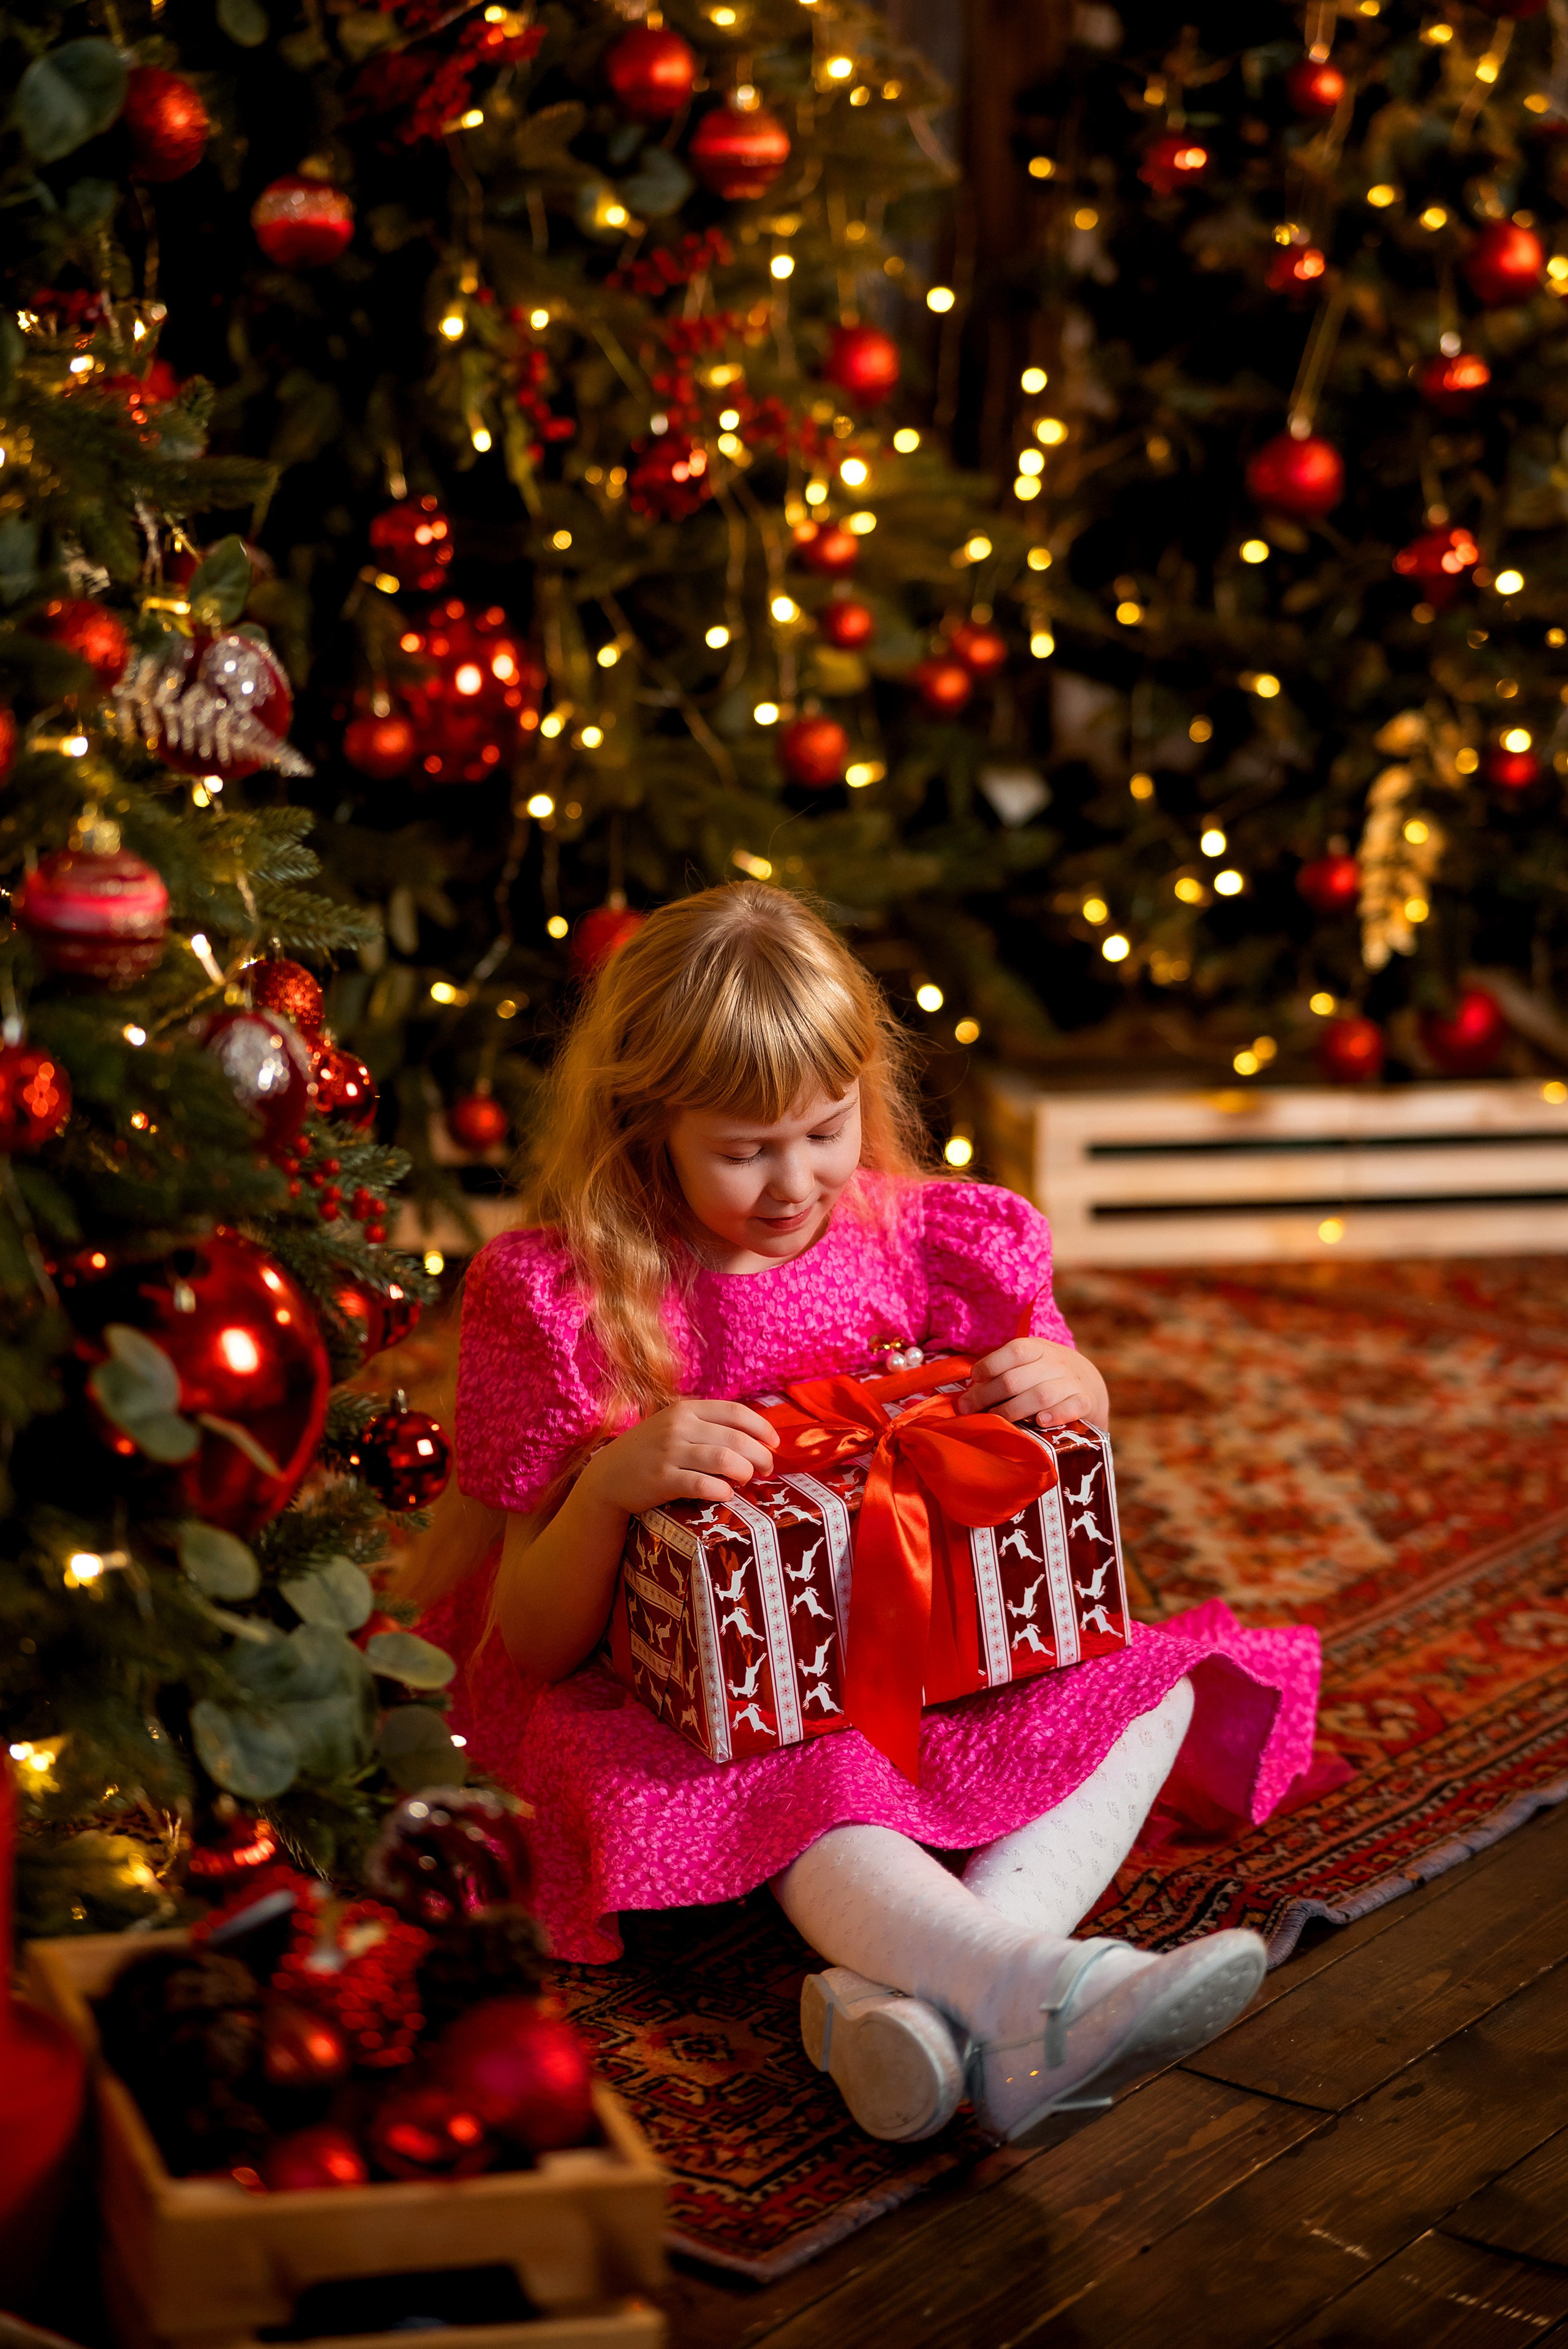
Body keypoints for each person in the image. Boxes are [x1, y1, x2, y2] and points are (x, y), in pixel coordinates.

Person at [410, 882, 1319, 2144]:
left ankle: (950, 2007)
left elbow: (1038, 1480)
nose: (795, 1182)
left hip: (924, 1652)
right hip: (677, 1704)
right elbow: (532, 1638)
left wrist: (1080, 1387)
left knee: (1150, 1687)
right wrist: (616, 1484)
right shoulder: (570, 1301)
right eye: (742, 1150)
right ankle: (1031, 1991)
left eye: (826, 1130)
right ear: (644, 1123)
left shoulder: (932, 1240)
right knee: (816, 1772)